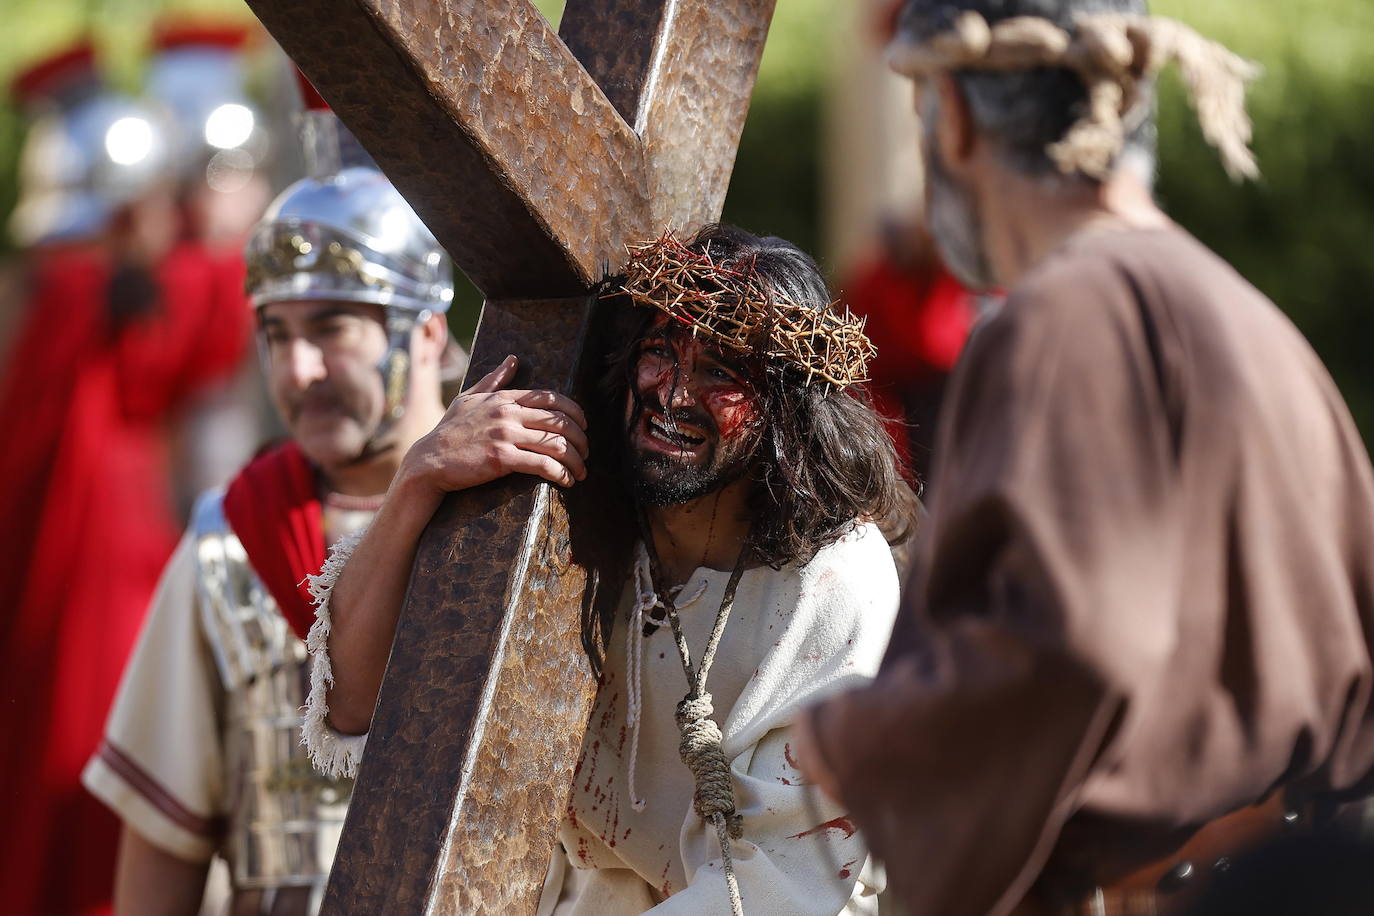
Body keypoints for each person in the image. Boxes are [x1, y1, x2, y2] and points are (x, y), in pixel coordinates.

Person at [794, 3, 1374, 915]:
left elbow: (1075, 640)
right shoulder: (1257, 321)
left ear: (951, 115)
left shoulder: (1066, 318)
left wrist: (859, 743)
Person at [304, 225, 916, 915]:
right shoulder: (566, 505)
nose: (675, 394)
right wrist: (419, 477)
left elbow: (781, 889)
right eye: (660, 351)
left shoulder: (836, 585)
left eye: (722, 371)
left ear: (785, 409)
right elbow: (349, 704)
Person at [80, 107, 463, 915]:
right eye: (275, 333)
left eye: (332, 329)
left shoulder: (514, 523)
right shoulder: (232, 541)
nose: (299, 369)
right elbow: (165, 841)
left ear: (426, 332)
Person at [0, 42, 250, 915]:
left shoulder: (63, 291)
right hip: (92, 588)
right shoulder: (80, 297)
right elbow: (205, 318)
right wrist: (222, 229)